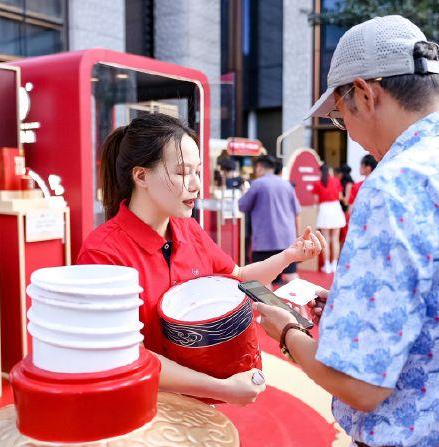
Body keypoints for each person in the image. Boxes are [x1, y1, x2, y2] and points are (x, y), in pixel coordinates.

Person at [254, 15, 439, 447]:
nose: (347, 130)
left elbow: (359, 386)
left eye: (338, 115)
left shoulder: (395, 186)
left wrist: (287, 331)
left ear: (365, 93)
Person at [77, 114, 326, 406]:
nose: (196, 185)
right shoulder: (103, 254)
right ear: (141, 176)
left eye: (197, 172)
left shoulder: (188, 229)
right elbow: (129, 354)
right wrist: (220, 388)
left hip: (197, 406)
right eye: (183, 173)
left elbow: (237, 278)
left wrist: (289, 256)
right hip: (138, 409)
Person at [238, 155, 302, 286]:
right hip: (286, 239)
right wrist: (297, 235)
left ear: (260, 167)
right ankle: (303, 305)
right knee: (291, 276)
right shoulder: (287, 185)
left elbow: (242, 206)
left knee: (265, 280)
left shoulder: (257, 184)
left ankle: (270, 307)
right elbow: (297, 212)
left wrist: (245, 192)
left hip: (264, 240)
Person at [312, 163, 346, 273]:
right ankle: (334, 265)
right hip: (335, 208)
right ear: (329, 171)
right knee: (335, 239)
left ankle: (326, 265)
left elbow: (316, 201)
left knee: (325, 239)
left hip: (324, 209)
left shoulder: (317, 183)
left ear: (320, 171)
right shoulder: (336, 181)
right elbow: (340, 197)